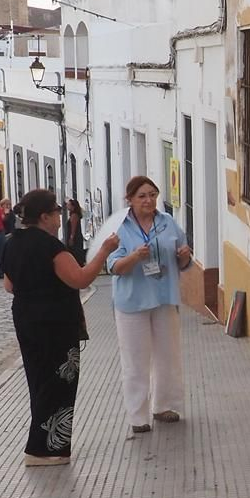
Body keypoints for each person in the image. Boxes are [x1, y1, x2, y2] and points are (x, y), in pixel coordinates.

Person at [0, 188, 118, 465]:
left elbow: (9, 286)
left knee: (39, 381)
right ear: (44, 216)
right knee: (59, 384)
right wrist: (104, 251)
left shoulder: (11, 242)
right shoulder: (52, 247)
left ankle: (42, 447)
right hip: (55, 324)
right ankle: (44, 450)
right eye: (56, 212)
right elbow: (80, 279)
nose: (59, 217)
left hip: (26, 320)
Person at [106, 175, 192, 433]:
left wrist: (184, 257)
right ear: (130, 199)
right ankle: (138, 416)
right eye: (142, 196)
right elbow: (114, 267)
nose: (149, 200)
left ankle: (165, 405)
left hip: (164, 297)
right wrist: (134, 256)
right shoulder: (120, 227)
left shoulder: (167, 223)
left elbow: (183, 260)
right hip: (132, 302)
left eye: (153, 195)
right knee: (135, 359)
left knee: (169, 355)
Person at [65, 198, 87, 265]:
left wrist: (71, 238)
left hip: (75, 238)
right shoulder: (74, 215)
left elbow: (73, 227)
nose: (67, 206)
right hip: (77, 237)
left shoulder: (74, 215)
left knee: (75, 254)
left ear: (73, 206)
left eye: (68, 205)